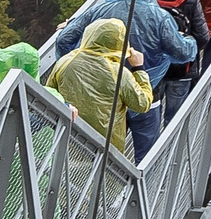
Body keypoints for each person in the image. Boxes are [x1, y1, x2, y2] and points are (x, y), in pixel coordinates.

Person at [50, 0, 193, 161]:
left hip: (105, 96)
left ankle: (102, 185)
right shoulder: (158, 16)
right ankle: (144, 188)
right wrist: (189, 39)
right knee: (146, 153)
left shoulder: (99, 12)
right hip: (145, 90)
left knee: (97, 151)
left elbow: (64, 39)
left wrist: (77, 63)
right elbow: (183, 53)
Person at [44, 20, 155, 155]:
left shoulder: (65, 61)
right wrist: (139, 69)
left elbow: (50, 94)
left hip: (67, 141)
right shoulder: (119, 73)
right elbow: (142, 104)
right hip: (106, 150)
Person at [149, 0, 211, 121]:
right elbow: (203, 36)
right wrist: (183, 52)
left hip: (152, 67)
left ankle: (151, 148)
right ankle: (170, 149)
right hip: (182, 70)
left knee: (149, 118)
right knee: (174, 120)